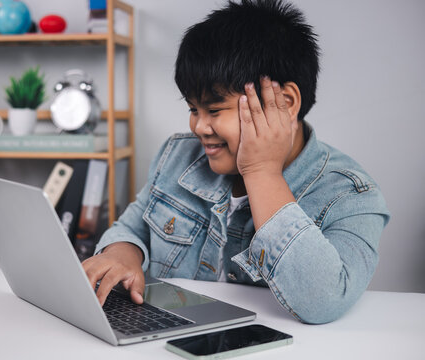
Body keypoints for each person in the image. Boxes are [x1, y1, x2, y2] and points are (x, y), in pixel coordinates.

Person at [82, 0, 390, 324]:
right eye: (193, 109)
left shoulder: (352, 196)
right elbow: (133, 228)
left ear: (284, 103)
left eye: (214, 111)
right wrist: (121, 254)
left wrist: (261, 171)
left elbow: (324, 301)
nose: (200, 127)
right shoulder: (176, 156)